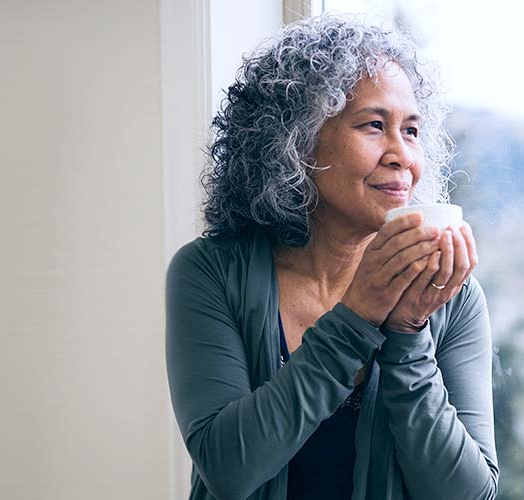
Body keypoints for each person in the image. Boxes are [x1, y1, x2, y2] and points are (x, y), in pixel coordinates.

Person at [165, 14, 498, 500]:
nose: (402, 155)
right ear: (295, 143)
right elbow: (228, 470)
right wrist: (358, 317)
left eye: (410, 130)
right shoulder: (210, 273)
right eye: (374, 126)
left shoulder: (450, 296)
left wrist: (407, 335)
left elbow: (470, 493)